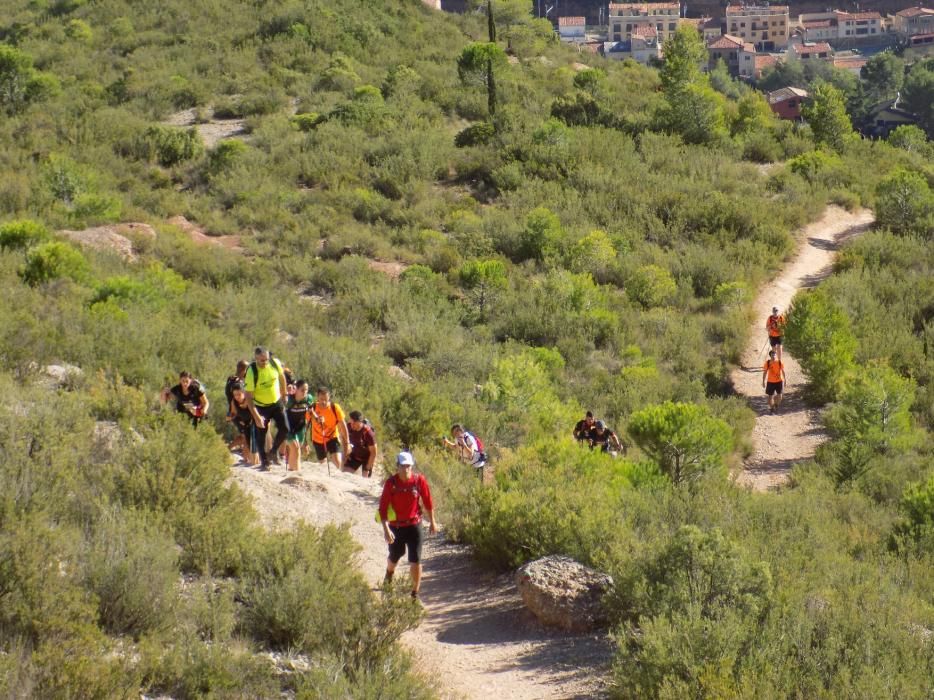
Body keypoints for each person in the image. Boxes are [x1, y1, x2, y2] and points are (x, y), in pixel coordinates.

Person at [379, 451, 438, 601]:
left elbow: (427, 501)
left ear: (412, 466)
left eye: (408, 466)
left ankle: (414, 593)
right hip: (396, 527)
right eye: (402, 466)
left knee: (416, 559)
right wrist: (386, 530)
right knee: (395, 556)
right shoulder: (391, 484)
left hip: (414, 525)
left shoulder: (419, 481)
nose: (406, 469)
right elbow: (383, 508)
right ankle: (389, 573)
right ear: (397, 466)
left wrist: (432, 521)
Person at [244, 346, 290, 472]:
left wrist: (284, 393)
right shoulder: (251, 371)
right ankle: (264, 461)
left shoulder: (274, 363)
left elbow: (282, 377)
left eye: (266, 360)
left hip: (276, 403)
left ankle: (273, 451)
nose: (264, 363)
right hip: (260, 406)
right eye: (261, 361)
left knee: (285, 428)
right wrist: (256, 415)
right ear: (256, 358)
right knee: (261, 432)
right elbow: (248, 396)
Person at [310, 387, 350, 470]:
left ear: (329, 398)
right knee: (323, 464)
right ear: (317, 397)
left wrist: (347, 442)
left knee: (337, 462)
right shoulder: (313, 408)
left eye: (326, 399)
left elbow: (343, 425)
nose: (324, 402)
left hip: (333, 437)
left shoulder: (335, 408)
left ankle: (336, 479)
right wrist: (304, 443)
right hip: (318, 439)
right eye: (321, 399)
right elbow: (306, 423)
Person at [285, 380, 314, 472]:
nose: (305, 392)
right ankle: (297, 472)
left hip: (300, 427)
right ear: (296, 389)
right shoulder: (289, 400)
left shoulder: (308, 398)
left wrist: (317, 418)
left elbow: (311, 410)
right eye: (302, 390)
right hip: (288, 427)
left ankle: (291, 469)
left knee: (296, 450)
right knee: (296, 448)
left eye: (306, 390)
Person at [227, 382, 258, 465]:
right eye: (235, 395)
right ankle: (247, 459)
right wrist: (229, 417)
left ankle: (254, 461)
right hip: (242, 421)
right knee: (246, 439)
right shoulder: (234, 402)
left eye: (239, 394)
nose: (237, 397)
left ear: (244, 392)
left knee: (253, 441)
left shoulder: (250, 400)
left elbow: (257, 413)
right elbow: (233, 413)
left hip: (254, 421)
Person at [225, 360, 249, 453]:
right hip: (238, 412)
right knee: (246, 436)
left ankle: (244, 453)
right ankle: (227, 449)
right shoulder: (237, 383)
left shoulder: (231, 380)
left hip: (235, 412)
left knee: (245, 435)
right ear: (244, 370)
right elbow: (235, 399)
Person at [344, 410, 377, 477]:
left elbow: (373, 452)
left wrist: (367, 469)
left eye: (354, 423)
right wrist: (346, 451)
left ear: (360, 422)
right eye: (351, 422)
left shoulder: (368, 433)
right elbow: (343, 437)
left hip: (367, 458)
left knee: (365, 479)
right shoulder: (348, 427)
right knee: (345, 475)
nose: (352, 425)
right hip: (354, 455)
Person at [762, 349, 787, 414]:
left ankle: (776, 405)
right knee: (770, 397)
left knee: (780, 396)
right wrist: (763, 381)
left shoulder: (779, 362)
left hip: (779, 381)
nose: (774, 356)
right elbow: (765, 372)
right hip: (770, 382)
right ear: (770, 356)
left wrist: (785, 380)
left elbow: (783, 371)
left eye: (775, 355)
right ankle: (772, 408)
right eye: (772, 355)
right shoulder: (767, 363)